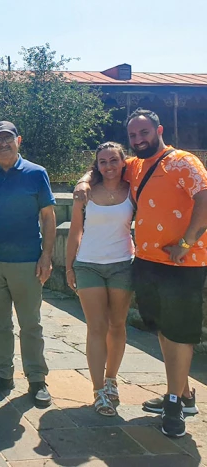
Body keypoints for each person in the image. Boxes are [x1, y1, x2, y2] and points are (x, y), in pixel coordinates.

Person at [75, 109, 207, 438]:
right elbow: (100, 169)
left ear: (158, 130)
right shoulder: (136, 165)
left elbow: (205, 199)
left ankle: (175, 403)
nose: (138, 140)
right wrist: (81, 181)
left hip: (182, 263)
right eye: (133, 136)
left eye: (144, 132)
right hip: (147, 262)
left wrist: (187, 242)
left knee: (179, 333)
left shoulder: (183, 162)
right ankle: (183, 393)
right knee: (164, 329)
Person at [0, 121, 55, 408]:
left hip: (26, 260)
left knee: (30, 323)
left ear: (18, 140)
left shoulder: (36, 173)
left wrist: (46, 256)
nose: (3, 144)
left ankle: (37, 378)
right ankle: (2, 374)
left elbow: (49, 217)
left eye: (8, 139)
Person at [66, 142, 134, 417]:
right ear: (96, 165)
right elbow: (74, 231)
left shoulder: (133, 190)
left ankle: (111, 379)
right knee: (96, 327)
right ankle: (98, 390)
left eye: (113, 161)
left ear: (122, 162)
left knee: (117, 325)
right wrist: (70, 267)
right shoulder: (86, 193)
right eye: (102, 162)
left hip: (122, 264)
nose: (108, 166)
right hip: (89, 265)